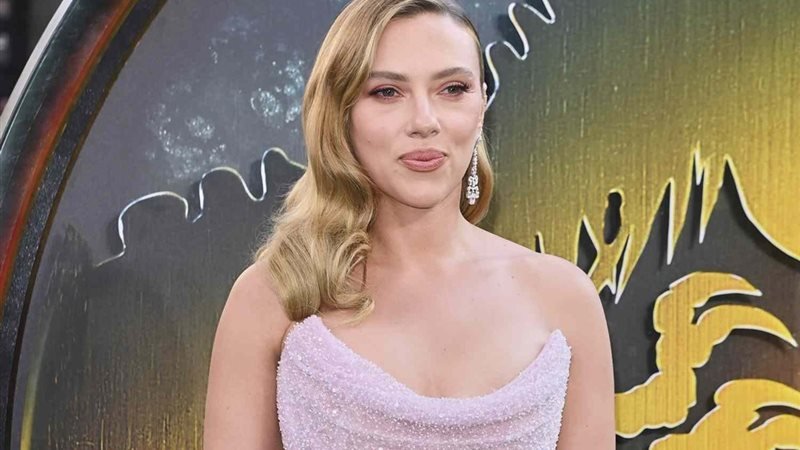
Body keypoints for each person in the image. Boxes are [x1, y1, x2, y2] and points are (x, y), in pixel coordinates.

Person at [203, 0, 615, 448]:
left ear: (481, 106)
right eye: (387, 92)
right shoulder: (275, 296)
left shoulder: (565, 299)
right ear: (341, 113)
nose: (424, 122)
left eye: (453, 88)